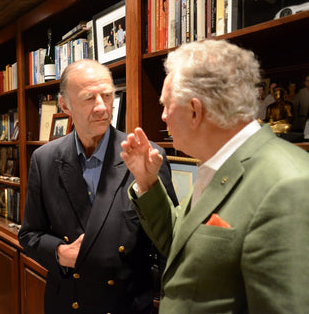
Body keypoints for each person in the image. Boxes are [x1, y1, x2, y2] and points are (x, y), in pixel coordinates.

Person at [120, 39, 309, 313]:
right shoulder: (218, 164)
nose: (162, 117)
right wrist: (147, 181)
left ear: (195, 111)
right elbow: (183, 245)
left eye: (166, 105)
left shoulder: (290, 184)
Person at [19, 59, 178, 314]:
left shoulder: (145, 155)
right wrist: (60, 253)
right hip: (68, 301)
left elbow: (169, 244)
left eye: (107, 95)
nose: (102, 107)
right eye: (88, 98)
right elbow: (29, 235)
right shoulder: (45, 159)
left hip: (127, 305)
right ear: (64, 105)